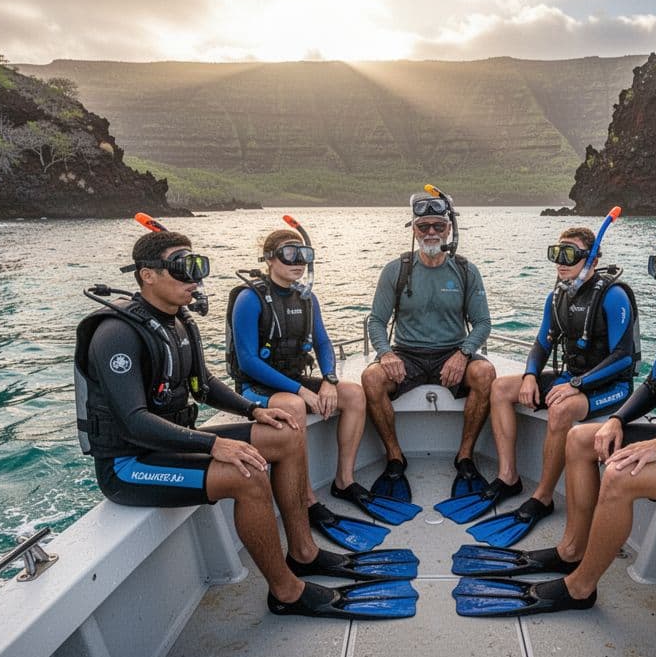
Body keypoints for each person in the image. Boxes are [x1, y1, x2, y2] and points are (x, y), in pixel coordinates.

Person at [74, 229, 418, 620]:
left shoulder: (177, 323)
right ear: (147, 275)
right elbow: (134, 423)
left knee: (286, 434)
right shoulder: (116, 334)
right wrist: (213, 446)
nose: (195, 280)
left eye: (198, 267)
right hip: (130, 462)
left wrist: (254, 412)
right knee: (249, 474)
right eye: (183, 269)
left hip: (172, 443)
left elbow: (202, 385)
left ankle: (303, 552)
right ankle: (286, 592)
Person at [452, 227, 656, 617]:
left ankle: (580, 588)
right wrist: (618, 421)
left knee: (620, 476)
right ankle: (571, 550)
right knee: (581, 439)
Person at [436, 226, 638, 548]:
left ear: (594, 259)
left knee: (560, 409)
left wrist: (578, 384)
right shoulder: (557, 295)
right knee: (501, 389)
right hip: (572, 379)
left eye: (569, 254)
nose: (560, 261)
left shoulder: (613, 296)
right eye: (556, 253)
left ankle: (543, 497)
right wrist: (530, 375)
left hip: (608, 386)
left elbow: (623, 358)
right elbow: (541, 344)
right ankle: (509, 477)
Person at [228, 228, 420, 537]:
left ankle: (344, 481)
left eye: (304, 255)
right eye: (290, 254)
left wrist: (330, 380)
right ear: (269, 259)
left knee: (354, 394)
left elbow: (324, 344)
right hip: (257, 388)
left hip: (294, 379)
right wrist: (301, 390)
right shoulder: (250, 299)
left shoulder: (307, 299)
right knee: (294, 406)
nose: (298, 262)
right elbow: (248, 360)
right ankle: (306, 498)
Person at [362, 190, 495, 502]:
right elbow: (376, 321)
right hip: (407, 355)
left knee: (486, 374)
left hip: (453, 353)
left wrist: (463, 354)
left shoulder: (465, 270)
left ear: (448, 229)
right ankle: (395, 458)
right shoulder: (396, 270)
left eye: (438, 226)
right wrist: (386, 353)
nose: (431, 232)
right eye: (424, 227)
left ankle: (464, 457)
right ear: (414, 230)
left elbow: (483, 322)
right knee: (371, 379)